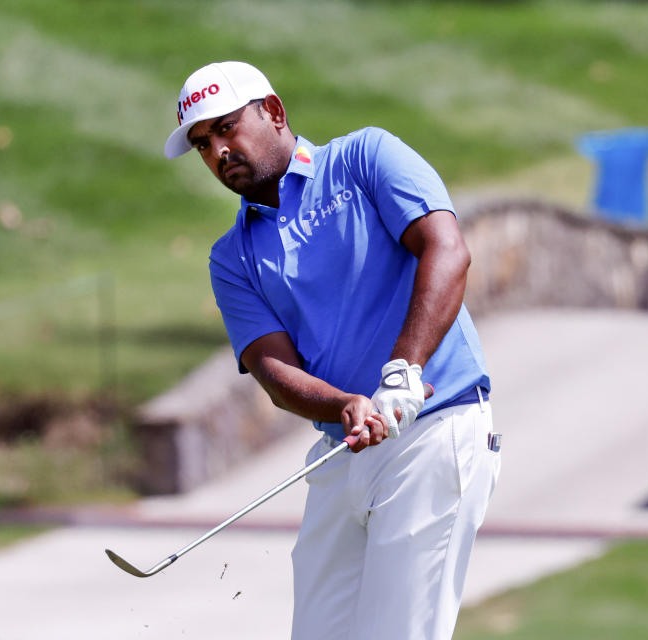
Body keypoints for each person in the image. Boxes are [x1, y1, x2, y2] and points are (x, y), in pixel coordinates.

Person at [163, 61, 501, 640]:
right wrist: (344, 403)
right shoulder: (233, 257)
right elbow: (274, 371)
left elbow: (446, 249)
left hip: (434, 427)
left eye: (226, 127)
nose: (218, 151)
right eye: (202, 143)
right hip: (343, 449)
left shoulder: (365, 158)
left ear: (273, 112)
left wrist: (403, 371)